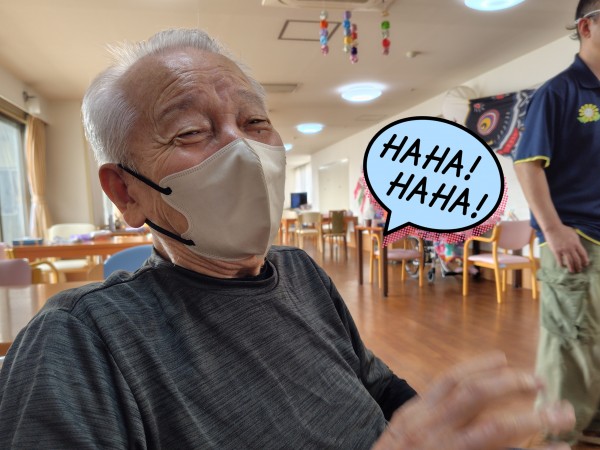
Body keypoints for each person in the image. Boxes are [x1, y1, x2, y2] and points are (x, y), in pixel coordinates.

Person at [0, 28, 574, 449]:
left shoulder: (300, 271)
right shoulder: (80, 340)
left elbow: (373, 383)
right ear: (126, 192)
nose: (244, 150)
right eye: (191, 131)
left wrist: (445, 424)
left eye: (255, 123)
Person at [514, 0, 600, 445]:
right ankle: (556, 436)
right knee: (571, 343)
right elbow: (528, 164)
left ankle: (590, 424)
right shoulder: (560, 92)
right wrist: (552, 229)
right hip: (575, 237)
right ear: (586, 27)